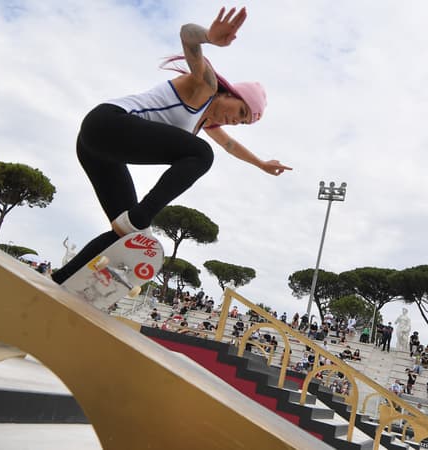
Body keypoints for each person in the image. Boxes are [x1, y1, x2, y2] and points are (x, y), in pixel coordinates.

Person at [51, 7, 291, 286]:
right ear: (230, 94)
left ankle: (59, 280)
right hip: (107, 123)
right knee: (201, 153)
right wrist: (209, 38)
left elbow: (231, 146)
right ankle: (141, 216)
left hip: (96, 150)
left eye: (242, 123)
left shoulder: (206, 124)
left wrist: (261, 164)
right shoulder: (205, 85)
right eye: (239, 112)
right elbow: (188, 36)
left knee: (130, 237)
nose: (234, 122)